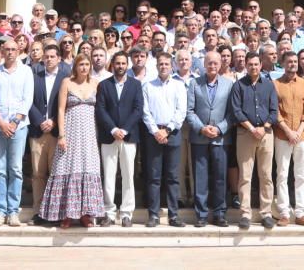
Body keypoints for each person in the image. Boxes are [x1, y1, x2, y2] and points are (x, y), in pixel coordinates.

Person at [39, 54, 105, 228]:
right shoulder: (67, 82)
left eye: (86, 64)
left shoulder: (96, 84)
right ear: (75, 66)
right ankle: (66, 214)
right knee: (66, 167)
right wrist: (61, 134)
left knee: (87, 168)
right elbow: (60, 110)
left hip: (89, 133)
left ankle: (85, 214)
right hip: (70, 131)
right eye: (80, 64)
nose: (84, 67)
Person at [0, 39, 34, 227]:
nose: (11, 52)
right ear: (2, 51)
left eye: (14, 49)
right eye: (7, 49)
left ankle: (13, 211)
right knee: (0, 169)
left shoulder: (26, 71)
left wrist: (13, 122)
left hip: (19, 127)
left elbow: (27, 99)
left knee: (15, 169)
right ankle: (0, 210)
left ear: (18, 50)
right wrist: (0, 122)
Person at [230, 51, 279, 230]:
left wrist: (263, 127)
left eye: (256, 64)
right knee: (245, 175)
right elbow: (236, 111)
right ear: (246, 65)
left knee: (266, 175)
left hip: (266, 134)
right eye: (250, 64)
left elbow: (274, 111)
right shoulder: (238, 86)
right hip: (245, 134)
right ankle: (245, 213)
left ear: (261, 65)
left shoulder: (269, 85)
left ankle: (265, 212)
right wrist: (252, 128)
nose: (253, 67)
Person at [96, 50, 144, 228]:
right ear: (112, 65)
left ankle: (126, 213)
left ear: (128, 65)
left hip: (129, 136)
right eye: (117, 63)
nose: (121, 66)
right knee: (108, 176)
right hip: (109, 136)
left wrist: (124, 129)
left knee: (128, 176)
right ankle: (108, 212)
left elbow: (138, 109)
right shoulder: (104, 85)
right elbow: (100, 110)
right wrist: (113, 129)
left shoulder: (135, 85)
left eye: (124, 63)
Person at [186, 51, 233, 228]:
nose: (212, 66)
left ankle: (220, 213)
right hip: (200, 137)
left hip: (221, 138)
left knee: (220, 177)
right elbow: (189, 111)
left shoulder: (229, 85)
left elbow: (232, 112)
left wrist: (220, 128)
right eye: (209, 63)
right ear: (204, 65)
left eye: (215, 63)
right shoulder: (194, 83)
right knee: (200, 177)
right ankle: (202, 214)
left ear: (220, 65)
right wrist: (201, 128)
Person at [141, 52, 187, 228]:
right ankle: (153, 215)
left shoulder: (178, 86)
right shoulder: (147, 86)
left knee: (173, 177)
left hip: (172, 133)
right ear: (157, 66)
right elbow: (145, 112)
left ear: (172, 66)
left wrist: (167, 130)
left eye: (167, 64)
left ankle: (173, 216)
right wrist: (156, 131)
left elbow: (181, 111)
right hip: (153, 135)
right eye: (161, 64)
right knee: (154, 177)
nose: (164, 67)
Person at [28, 44, 71, 223]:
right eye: (46, 56)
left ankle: (54, 211)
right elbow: (27, 100)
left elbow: (68, 103)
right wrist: (40, 121)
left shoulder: (65, 78)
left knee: (56, 174)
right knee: (38, 174)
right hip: (37, 132)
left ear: (59, 58)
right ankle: (38, 212)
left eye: (53, 56)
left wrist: (53, 121)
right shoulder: (34, 76)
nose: (49, 59)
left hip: (56, 132)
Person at [273, 51, 304, 226]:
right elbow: (275, 111)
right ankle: (284, 213)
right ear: (282, 63)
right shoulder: (275, 84)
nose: (293, 64)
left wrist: (298, 131)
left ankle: (300, 213)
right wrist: (288, 131)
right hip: (283, 135)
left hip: (302, 135)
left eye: (295, 61)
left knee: (300, 175)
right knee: (282, 174)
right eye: (289, 61)